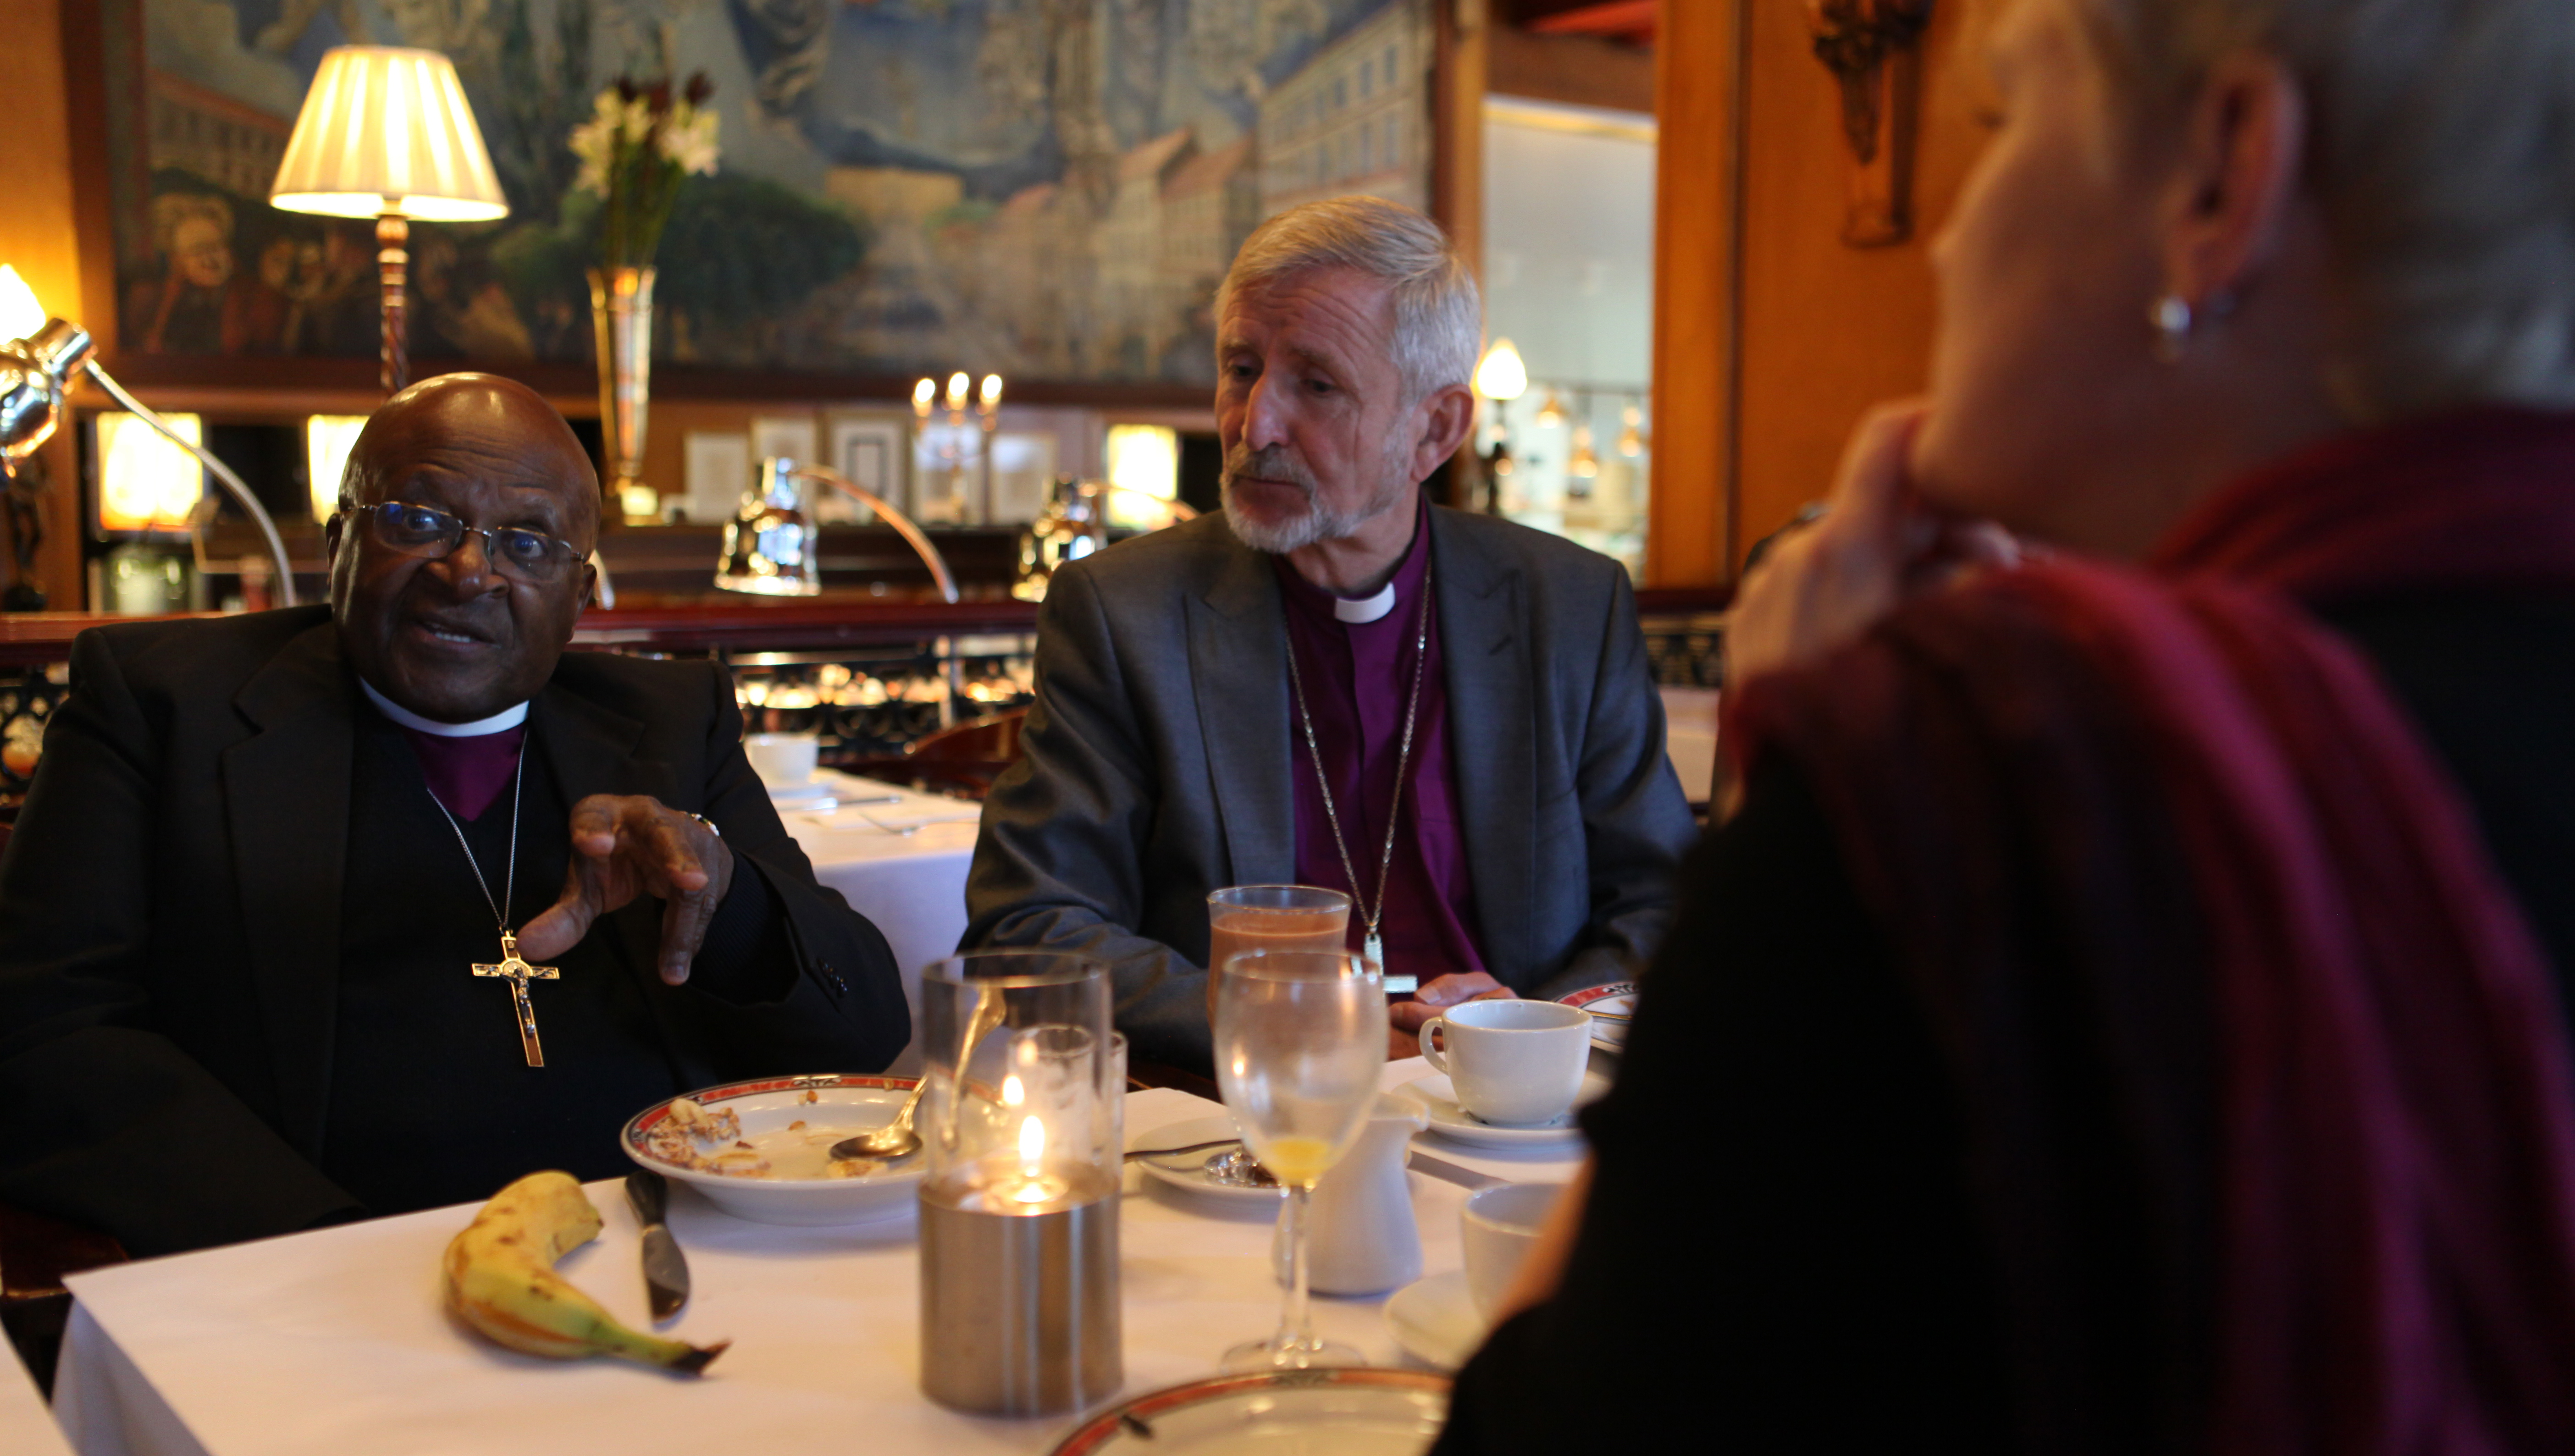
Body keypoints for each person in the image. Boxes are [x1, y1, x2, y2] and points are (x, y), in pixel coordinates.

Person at [1438, 0, 2575, 1449]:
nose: (1947, 239)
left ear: (2223, 179)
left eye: (2002, 129)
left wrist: (1801, 789)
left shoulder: (1977, 815)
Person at [0, 375, 908, 1257]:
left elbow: (866, 1027)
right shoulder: (164, 706)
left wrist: (725, 894)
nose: (467, 570)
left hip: (669, 1252)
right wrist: (315, 1247)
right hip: (306, 1272)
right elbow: (45, 1033)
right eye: (419, 519)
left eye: (528, 542)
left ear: (582, 596)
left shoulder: (671, 721)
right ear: (337, 541)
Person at [963, 197, 1696, 1074]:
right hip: (1241, 1127)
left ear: (1436, 429)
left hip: (1515, 1119)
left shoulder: (1568, 606)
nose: (1254, 424)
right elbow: (1031, 927)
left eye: (1317, 384)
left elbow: (1662, 910)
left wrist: (1526, 1031)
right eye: (1242, 369)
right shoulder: (1127, 612)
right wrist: (1293, 1027)